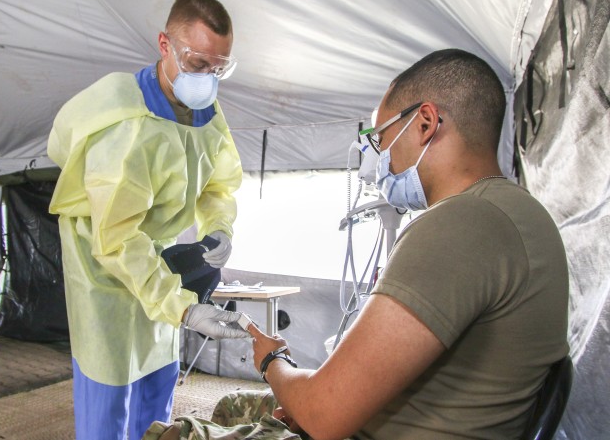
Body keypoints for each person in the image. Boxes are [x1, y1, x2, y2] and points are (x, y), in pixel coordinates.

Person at [143, 48, 570, 440]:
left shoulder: (460, 225)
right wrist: (305, 390)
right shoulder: (516, 213)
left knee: (169, 434)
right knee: (233, 404)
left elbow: (324, 416)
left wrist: (272, 361)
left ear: (425, 123)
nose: (378, 157)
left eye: (380, 138)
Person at [47, 0, 250, 440]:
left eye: (220, 69)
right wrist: (182, 308)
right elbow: (118, 239)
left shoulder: (207, 113)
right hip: (102, 262)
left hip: (156, 256)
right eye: (198, 64)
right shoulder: (125, 128)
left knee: (157, 376)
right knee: (111, 379)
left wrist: (219, 227)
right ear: (165, 44)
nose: (208, 80)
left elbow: (219, 182)